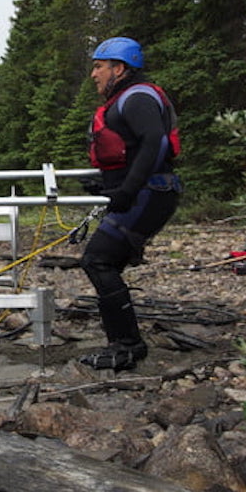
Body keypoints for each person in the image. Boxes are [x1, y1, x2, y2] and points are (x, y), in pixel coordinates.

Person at [77, 37, 182, 371]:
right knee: (104, 263)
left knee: (98, 261)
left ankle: (127, 346)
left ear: (118, 69)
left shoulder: (136, 98)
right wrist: (109, 185)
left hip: (149, 194)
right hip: (144, 192)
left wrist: (127, 190)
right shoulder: (129, 98)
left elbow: (155, 142)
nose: (94, 74)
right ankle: (121, 339)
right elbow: (134, 150)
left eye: (99, 66)